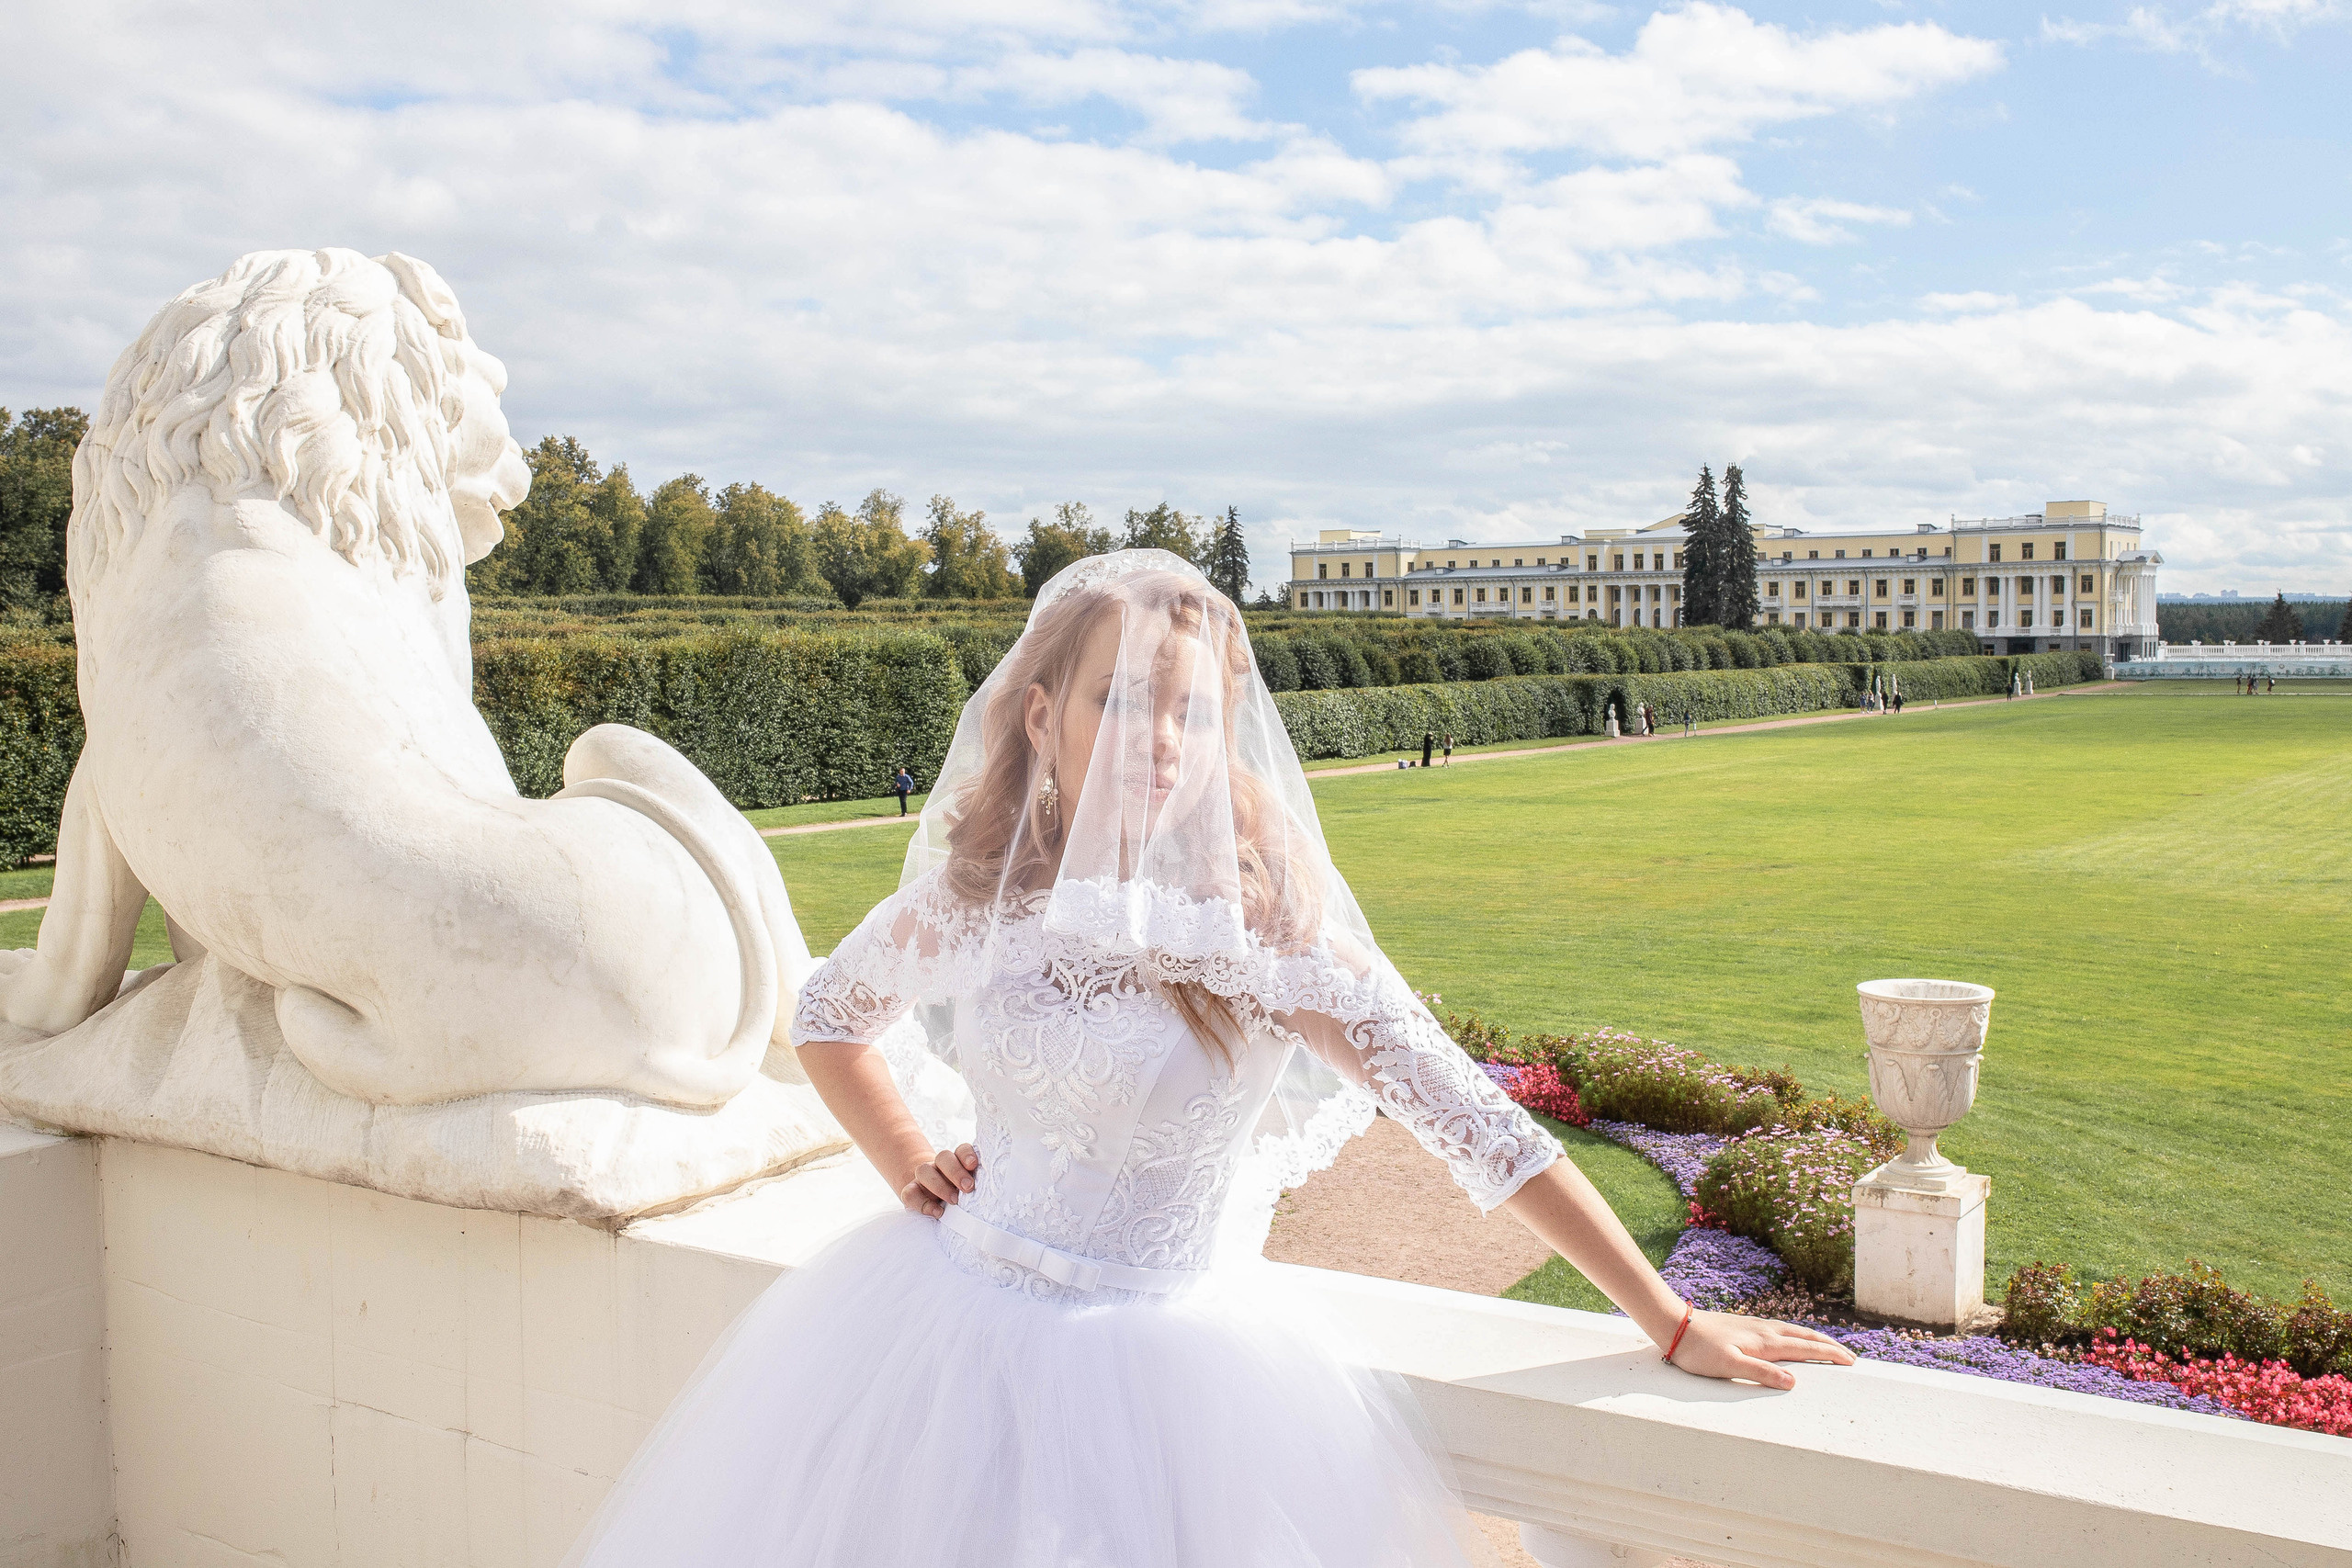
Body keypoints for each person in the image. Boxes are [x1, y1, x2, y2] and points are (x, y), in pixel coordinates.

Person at [560, 552, 1849, 1568]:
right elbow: (830, 1014)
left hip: (1170, 1383)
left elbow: (1480, 1126)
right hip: (939, 1335)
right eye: (1123, 698)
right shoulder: (980, 899)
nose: (1158, 735)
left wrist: (1667, 1319)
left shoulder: (1269, 940)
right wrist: (906, 1154)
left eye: (1189, 708)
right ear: (1045, 713)